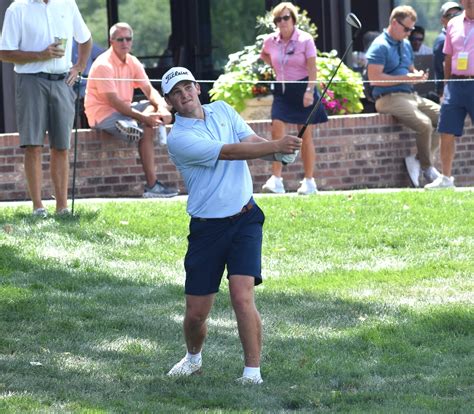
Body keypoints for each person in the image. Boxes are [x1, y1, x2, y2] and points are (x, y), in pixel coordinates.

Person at [161, 66, 302, 384]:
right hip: (207, 229)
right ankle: (193, 357)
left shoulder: (222, 110)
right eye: (176, 92)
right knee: (197, 313)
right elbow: (231, 152)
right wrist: (276, 147)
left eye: (187, 87)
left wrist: (275, 154)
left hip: (245, 218)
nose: (184, 95)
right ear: (170, 101)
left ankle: (252, 373)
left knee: (242, 295)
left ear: (197, 88)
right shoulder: (180, 139)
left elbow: (249, 140)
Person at [0, 0, 92, 218]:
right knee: (33, 145)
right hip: (30, 81)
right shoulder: (17, 8)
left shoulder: (67, 4)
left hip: (62, 82)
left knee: (61, 146)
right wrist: (40, 54)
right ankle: (38, 208)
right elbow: (4, 52)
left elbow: (85, 39)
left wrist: (79, 66)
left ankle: (62, 208)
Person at [84, 22, 177, 198]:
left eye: (128, 39)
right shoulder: (103, 64)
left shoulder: (132, 61)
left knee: (151, 114)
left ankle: (133, 124)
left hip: (124, 112)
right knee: (146, 124)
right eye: (120, 39)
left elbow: (149, 90)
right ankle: (152, 185)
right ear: (111, 41)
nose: (125, 43)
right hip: (104, 115)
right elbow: (114, 101)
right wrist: (144, 117)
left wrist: (162, 108)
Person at [366, 5, 441, 188]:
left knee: (444, 117)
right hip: (387, 97)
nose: (409, 33)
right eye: (406, 29)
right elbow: (374, 79)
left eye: (411, 29)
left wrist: (417, 75)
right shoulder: (380, 45)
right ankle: (427, 168)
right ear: (394, 22)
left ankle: (417, 159)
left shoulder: (406, 44)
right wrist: (405, 78)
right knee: (424, 124)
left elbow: (408, 68)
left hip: (409, 95)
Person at [259, 2, 328, 195]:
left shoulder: (305, 40)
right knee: (277, 131)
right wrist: (276, 68)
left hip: (303, 88)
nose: (282, 22)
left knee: (304, 136)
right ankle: (276, 179)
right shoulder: (270, 41)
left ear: (293, 19)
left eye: (286, 18)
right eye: (278, 19)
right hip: (282, 91)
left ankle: (308, 181)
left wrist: (309, 91)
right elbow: (264, 55)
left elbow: (313, 68)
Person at [426, 0, 474, 189]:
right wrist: (446, 85)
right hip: (455, 84)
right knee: (446, 130)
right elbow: (448, 57)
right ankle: (446, 179)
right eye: (466, 0)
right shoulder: (453, 23)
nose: (469, 3)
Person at [433, 2, 463, 98]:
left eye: (458, 14)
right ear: (443, 19)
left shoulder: (464, 35)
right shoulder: (442, 40)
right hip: (449, 90)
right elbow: (441, 68)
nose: (454, 18)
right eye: (450, 15)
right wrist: (443, 92)